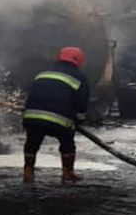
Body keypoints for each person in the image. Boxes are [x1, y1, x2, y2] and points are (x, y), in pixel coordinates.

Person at [22, 46, 90, 184]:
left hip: (32, 117)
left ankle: (28, 172)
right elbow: (82, 102)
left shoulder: (42, 74)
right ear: (79, 60)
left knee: (32, 142)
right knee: (67, 143)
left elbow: (32, 95)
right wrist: (79, 119)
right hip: (59, 120)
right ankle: (68, 172)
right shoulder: (79, 77)